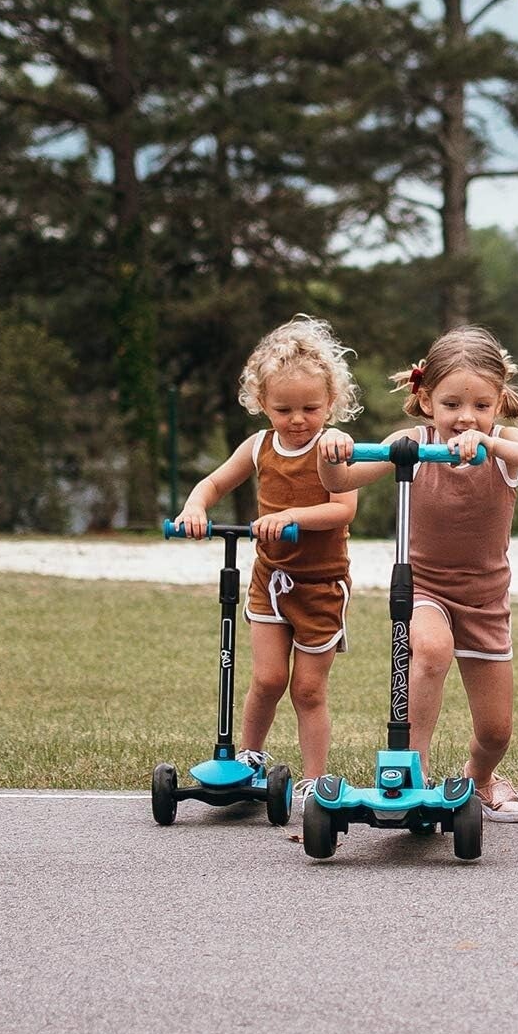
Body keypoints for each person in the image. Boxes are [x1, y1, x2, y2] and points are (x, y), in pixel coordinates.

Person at [320, 326, 518, 823]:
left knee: (497, 731)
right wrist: (331, 452)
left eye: (481, 405)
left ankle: (479, 778)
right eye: (452, 404)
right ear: (426, 398)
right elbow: (339, 481)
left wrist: (492, 445)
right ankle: (414, 780)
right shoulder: (410, 443)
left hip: (485, 600)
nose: (465, 418)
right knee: (430, 651)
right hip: (424, 589)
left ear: (499, 402)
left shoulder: (505, 443)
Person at [172, 316, 361, 813]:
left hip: (321, 587)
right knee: (268, 678)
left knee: (308, 688)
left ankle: (316, 782)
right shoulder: (257, 446)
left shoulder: (334, 447)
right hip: (268, 582)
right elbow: (212, 484)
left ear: (332, 403)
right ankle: (249, 756)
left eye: (311, 408)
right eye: (283, 409)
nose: (298, 419)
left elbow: (344, 509)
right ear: (261, 403)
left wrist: (292, 515)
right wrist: (195, 507)